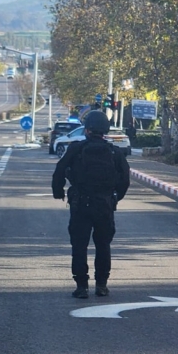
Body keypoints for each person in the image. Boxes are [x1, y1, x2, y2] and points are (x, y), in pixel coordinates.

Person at [51, 110, 130, 299]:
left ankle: (81, 287)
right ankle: (101, 285)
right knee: (103, 245)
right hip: (104, 205)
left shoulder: (76, 148)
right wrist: (115, 198)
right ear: (106, 131)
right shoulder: (114, 151)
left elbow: (59, 171)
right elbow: (125, 179)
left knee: (79, 246)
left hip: (80, 204)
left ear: (86, 130)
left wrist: (58, 192)